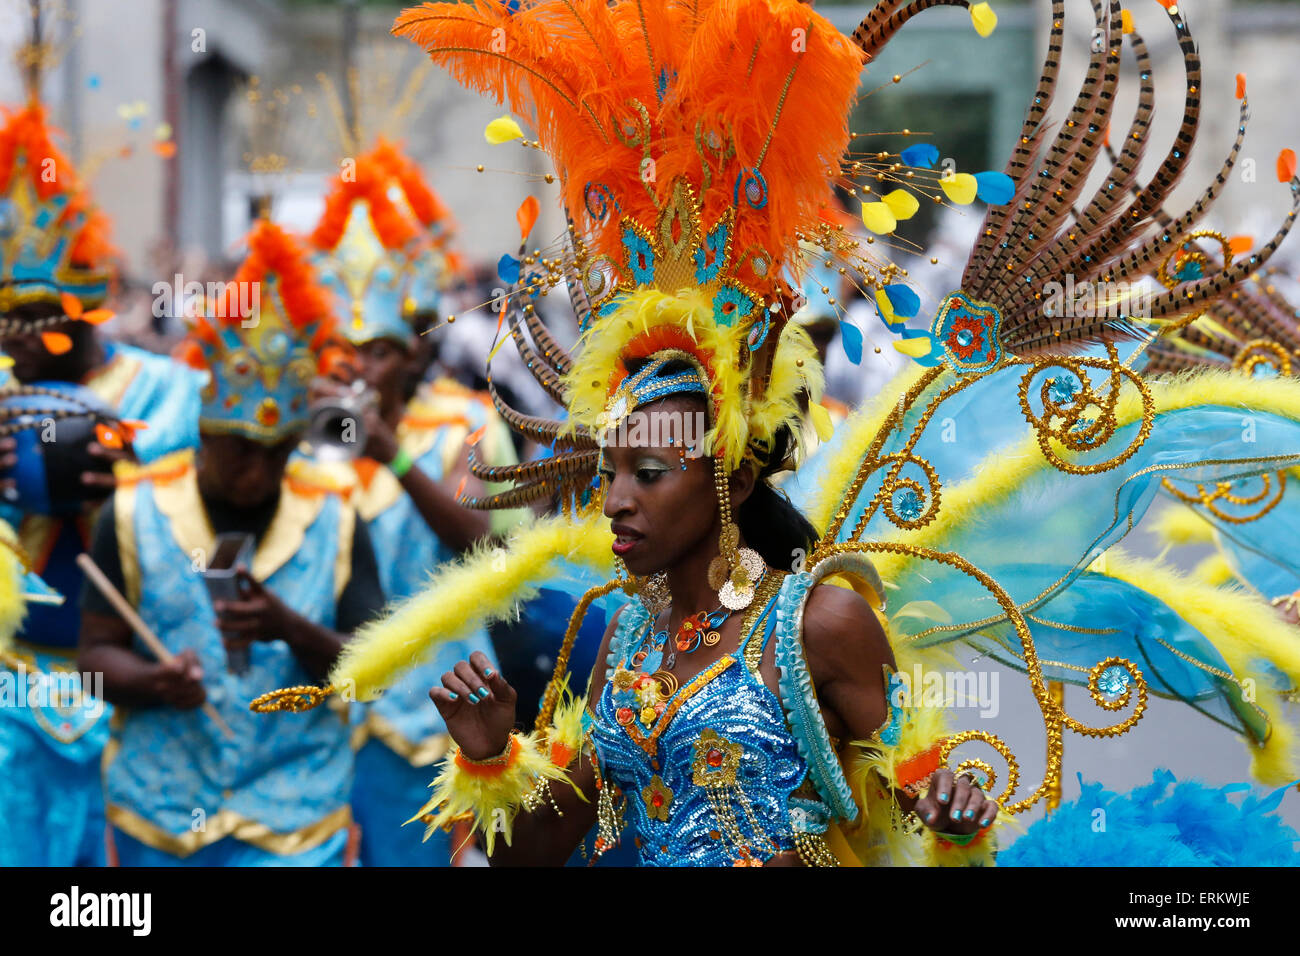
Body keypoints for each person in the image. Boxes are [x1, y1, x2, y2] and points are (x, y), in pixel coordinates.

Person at [261, 0, 1300, 865]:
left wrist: (955, 816)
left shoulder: (823, 624)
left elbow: (923, 807)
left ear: (730, 473)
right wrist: (490, 757)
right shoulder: (619, 637)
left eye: (649, 472)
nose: (614, 497)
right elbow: (537, 851)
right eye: (610, 470)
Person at [78, 219, 384, 867]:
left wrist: (290, 628)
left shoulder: (335, 514)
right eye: (242, 450)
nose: (260, 472)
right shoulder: (132, 511)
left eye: (278, 452)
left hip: (295, 825)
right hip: (159, 821)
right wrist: (155, 680)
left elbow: (373, 674)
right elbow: (95, 657)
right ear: (204, 431)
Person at [0, 76, 201, 865]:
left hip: (139, 687)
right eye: (7, 318)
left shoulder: (175, 394)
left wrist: (121, 469)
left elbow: (221, 512)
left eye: (38, 320)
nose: (20, 338)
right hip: (14, 684)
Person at [306, 137, 524, 865]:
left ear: (414, 353)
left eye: (381, 352)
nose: (361, 367)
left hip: (442, 702)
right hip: (330, 712)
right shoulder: (313, 435)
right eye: (350, 349)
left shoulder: (467, 424)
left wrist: (393, 457)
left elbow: (492, 554)